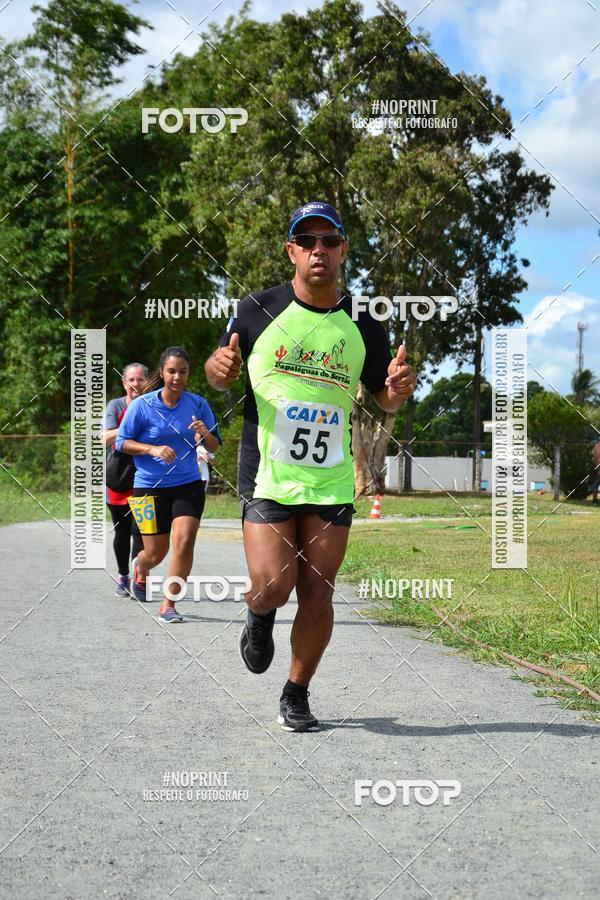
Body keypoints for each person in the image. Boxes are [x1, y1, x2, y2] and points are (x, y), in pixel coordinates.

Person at [205, 201, 416, 731]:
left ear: (343, 250)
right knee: (274, 585)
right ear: (292, 251)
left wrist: (396, 392)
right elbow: (218, 371)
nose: (318, 249)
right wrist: (218, 369)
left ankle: (296, 693)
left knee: (318, 590)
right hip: (267, 471)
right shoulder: (257, 309)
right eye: (307, 241)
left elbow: (383, 397)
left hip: (331, 476)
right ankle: (259, 614)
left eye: (329, 240)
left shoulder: (365, 323)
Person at [115, 346, 221, 623]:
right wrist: (152, 449)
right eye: (171, 371)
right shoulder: (142, 405)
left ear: (188, 374)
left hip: (188, 483)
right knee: (155, 553)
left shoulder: (198, 404)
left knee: (184, 542)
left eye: (183, 372)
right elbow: (121, 442)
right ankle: (140, 567)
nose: (177, 377)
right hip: (147, 487)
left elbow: (214, 445)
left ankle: (169, 605)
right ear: (162, 372)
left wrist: (204, 433)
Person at [102, 363, 148, 597]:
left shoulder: (153, 404)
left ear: (147, 382)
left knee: (142, 532)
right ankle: (123, 577)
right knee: (122, 532)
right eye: (131, 379)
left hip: (146, 476)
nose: (136, 384)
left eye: (140, 379)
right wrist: (131, 429)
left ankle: (139, 579)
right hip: (119, 476)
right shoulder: (115, 405)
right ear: (124, 383)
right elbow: (105, 438)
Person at [592, 440, 600, 505]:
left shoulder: (597, 445)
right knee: (596, 484)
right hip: (598, 467)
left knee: (596, 484)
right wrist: (598, 469)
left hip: (596, 466)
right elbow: (597, 458)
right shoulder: (598, 446)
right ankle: (595, 501)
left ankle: (595, 501)